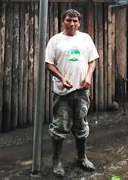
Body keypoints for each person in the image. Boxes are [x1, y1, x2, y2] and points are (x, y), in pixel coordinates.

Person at [45, 9, 99, 177]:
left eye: (75, 21)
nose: (72, 23)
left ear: (79, 23)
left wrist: (89, 76)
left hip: (82, 91)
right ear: (63, 21)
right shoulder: (55, 40)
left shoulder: (85, 38)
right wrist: (61, 78)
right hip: (63, 93)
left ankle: (82, 157)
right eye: (69, 20)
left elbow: (92, 60)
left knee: (81, 125)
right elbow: (49, 64)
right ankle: (57, 161)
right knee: (60, 127)